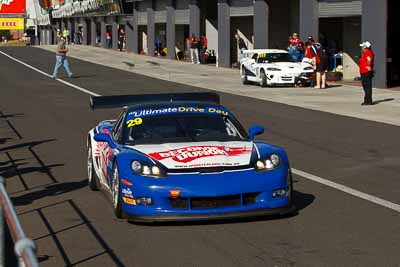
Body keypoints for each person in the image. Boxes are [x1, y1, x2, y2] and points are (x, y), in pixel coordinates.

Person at [359, 41, 375, 105]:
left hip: (366, 72)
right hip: (364, 72)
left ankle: (368, 101)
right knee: (365, 86)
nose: (362, 48)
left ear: (365, 47)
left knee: (367, 87)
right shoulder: (366, 53)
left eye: (362, 47)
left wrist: (368, 66)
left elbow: (369, 60)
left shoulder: (368, 53)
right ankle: (367, 100)